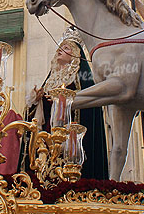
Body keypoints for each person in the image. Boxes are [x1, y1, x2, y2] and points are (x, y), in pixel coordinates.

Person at [18, 28, 109, 180]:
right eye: (60, 47)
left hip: (70, 138)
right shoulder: (51, 79)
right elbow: (37, 116)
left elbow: (90, 108)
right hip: (47, 137)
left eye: (66, 48)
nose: (60, 50)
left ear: (75, 53)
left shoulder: (82, 80)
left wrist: (65, 102)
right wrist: (37, 101)